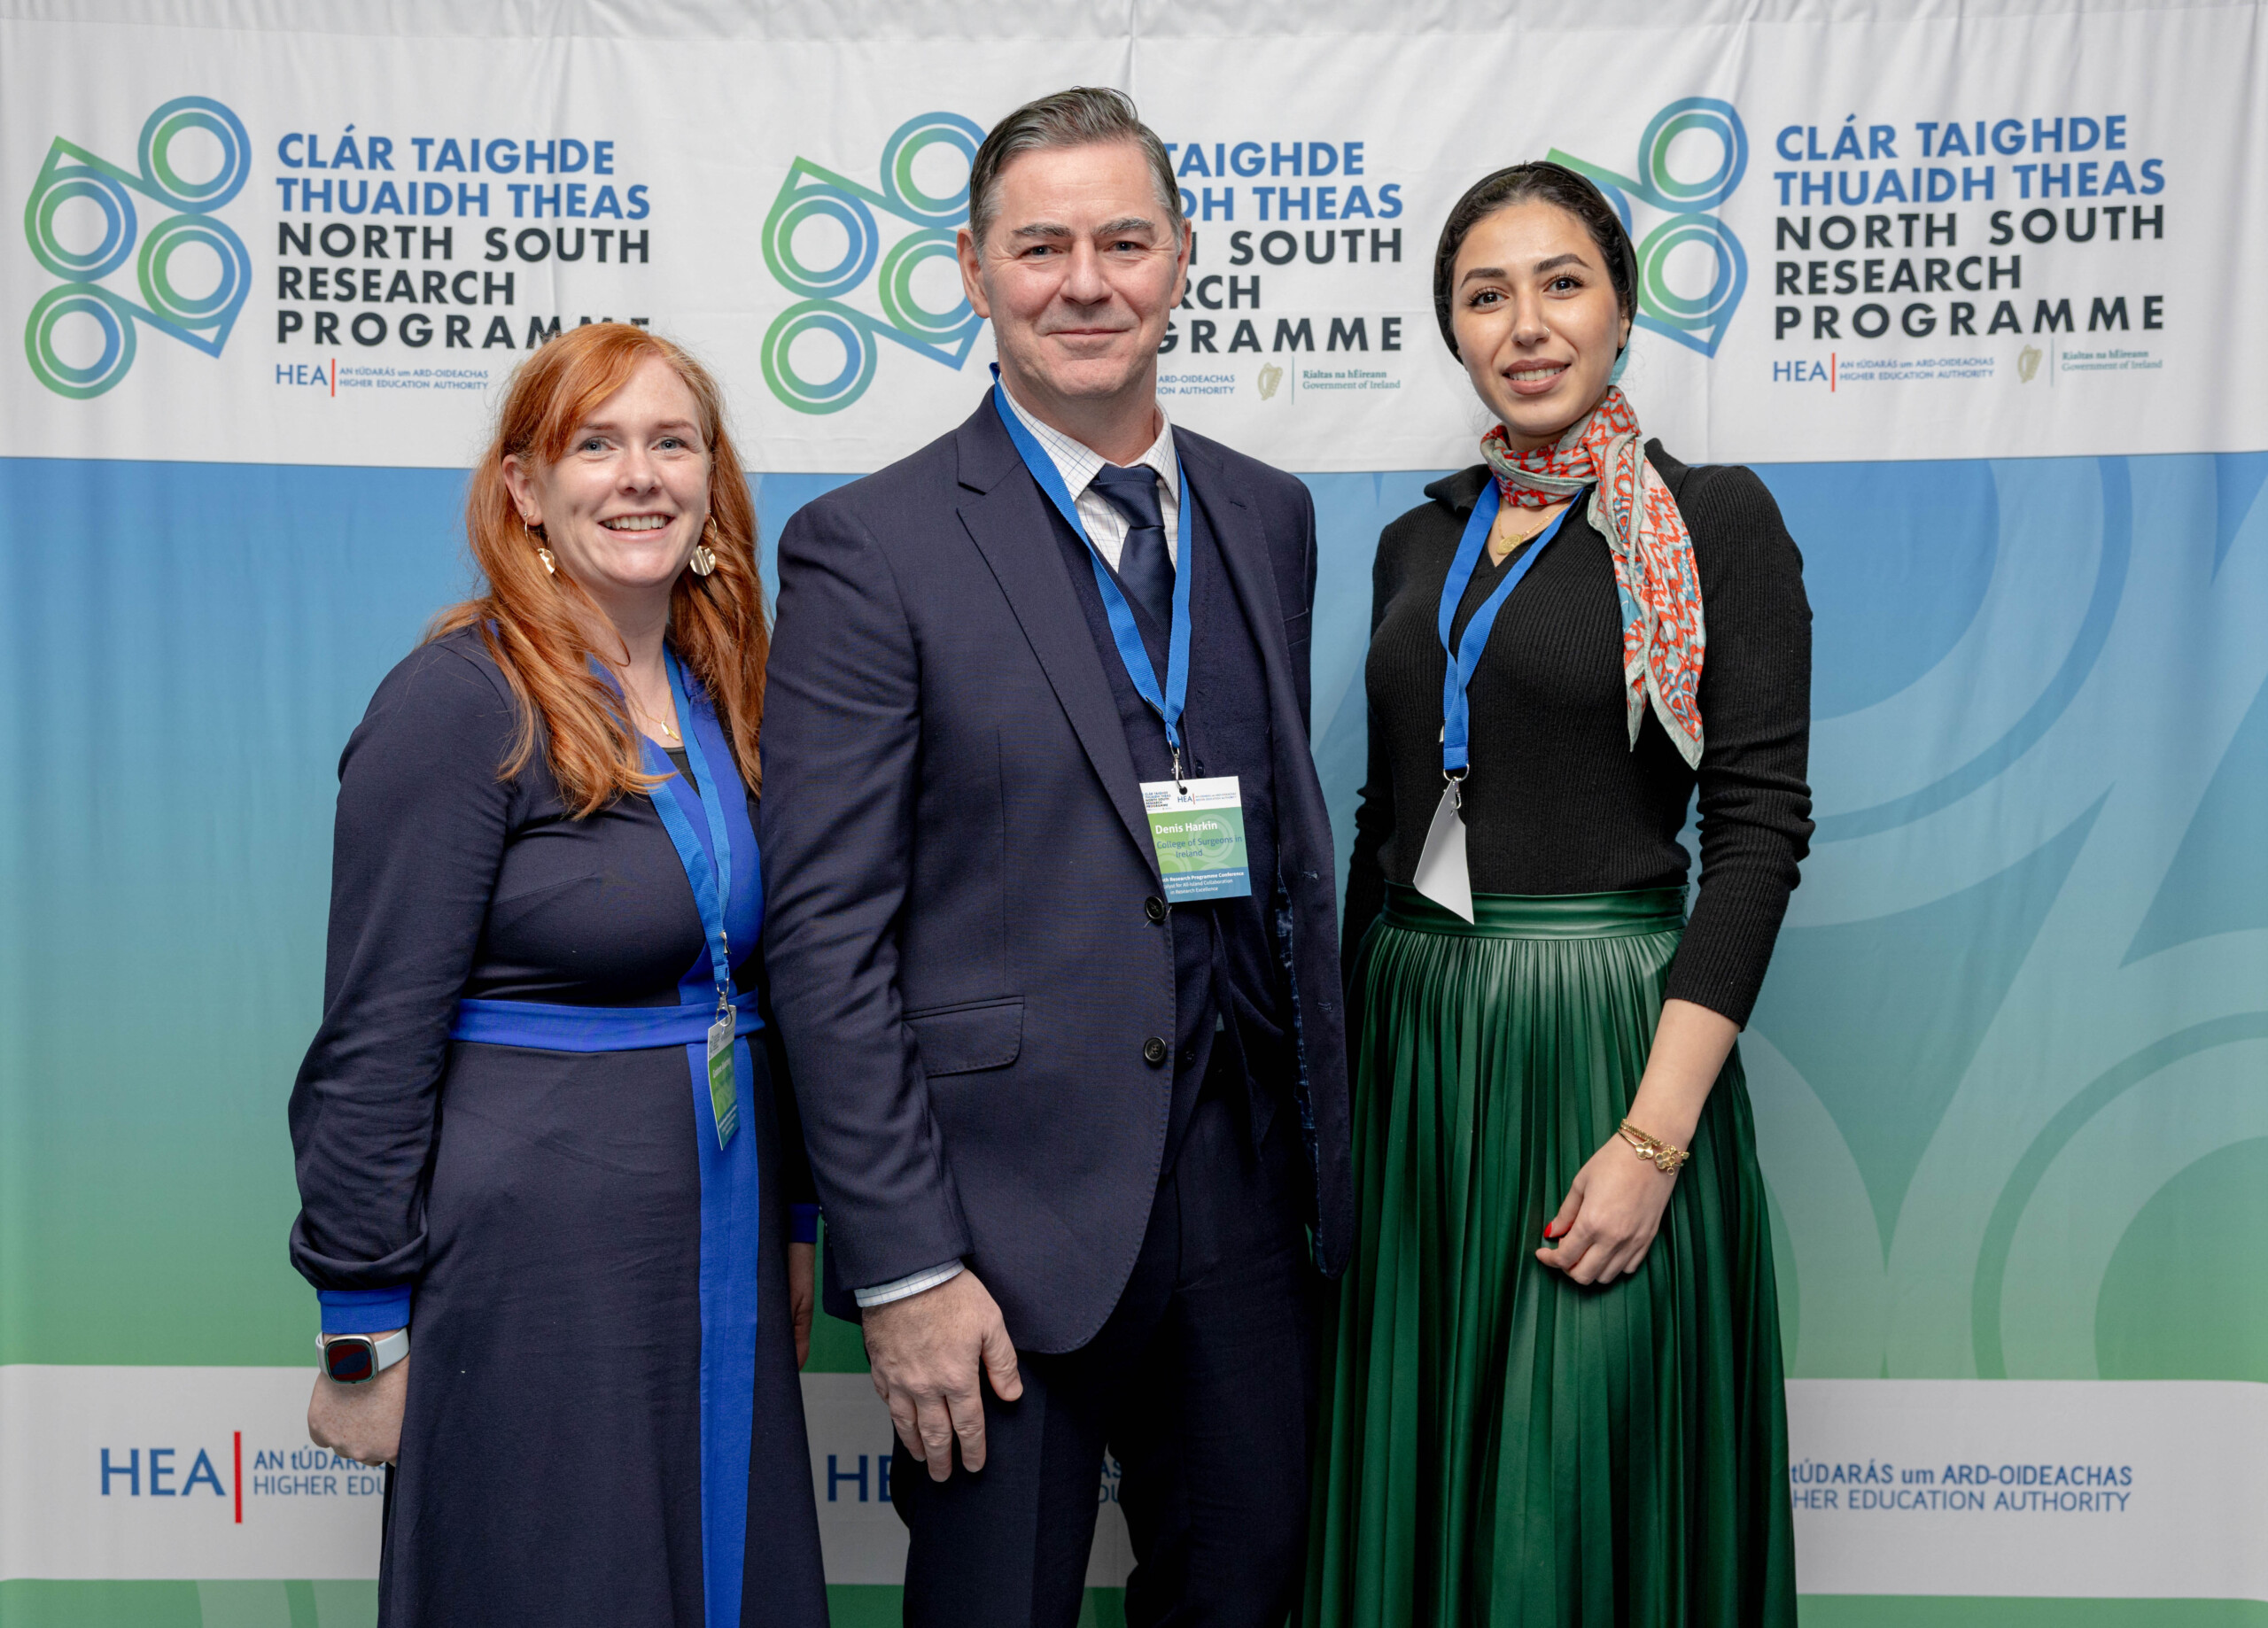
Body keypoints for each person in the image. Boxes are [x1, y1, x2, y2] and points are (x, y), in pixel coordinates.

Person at [759, 86, 1353, 1628]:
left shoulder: (1266, 516)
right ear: (972, 272)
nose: (1084, 280)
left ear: (1180, 261)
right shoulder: (867, 546)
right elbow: (825, 938)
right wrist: (902, 1264)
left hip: (1242, 1199)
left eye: (1122, 240)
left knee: (1246, 1590)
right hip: (995, 1236)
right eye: (1040, 246)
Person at [1306, 163, 1811, 1626]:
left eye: (1561, 281)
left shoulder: (1712, 521)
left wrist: (1656, 1139)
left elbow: (1763, 832)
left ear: (1623, 307)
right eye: (1485, 293)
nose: (1525, 323)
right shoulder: (1424, 535)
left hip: (1605, 1049)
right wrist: (1340, 1104)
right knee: (1425, 1476)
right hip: (1419, 1053)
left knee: (1570, 1495)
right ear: (1455, 331)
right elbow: (1386, 820)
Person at [286, 323, 827, 1628]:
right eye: (596, 443)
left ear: (713, 484)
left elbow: (784, 982)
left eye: (670, 442)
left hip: (717, 1228)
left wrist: (801, 1223)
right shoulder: (460, 700)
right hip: (534, 1258)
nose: (637, 475)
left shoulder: (730, 693)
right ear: (525, 487)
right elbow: (373, 1038)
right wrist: (359, 1327)